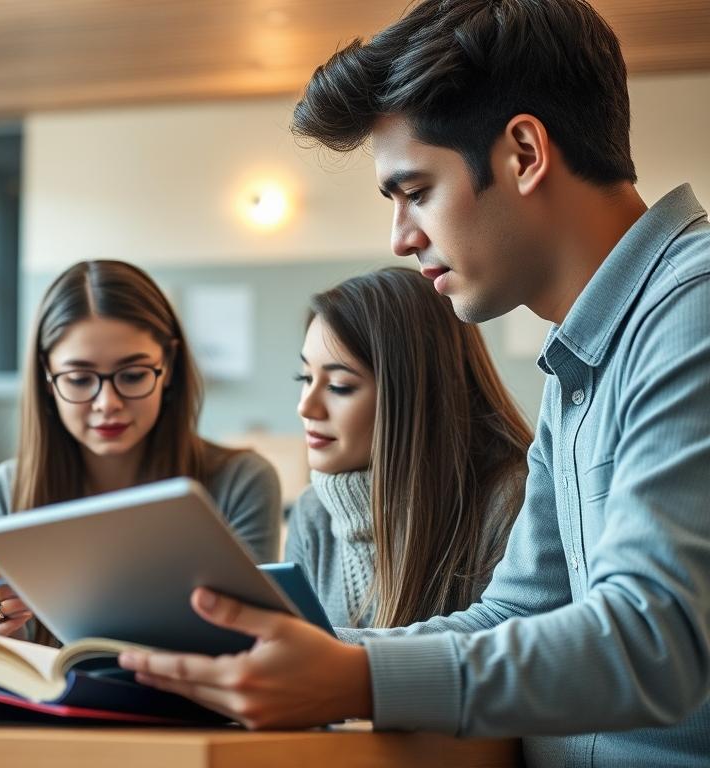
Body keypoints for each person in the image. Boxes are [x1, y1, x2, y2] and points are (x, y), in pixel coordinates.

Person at [118, 1, 710, 764]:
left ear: (524, 153)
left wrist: (357, 676)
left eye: (415, 191)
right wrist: (293, 652)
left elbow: (654, 639)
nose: (400, 238)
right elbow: (513, 611)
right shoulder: (580, 364)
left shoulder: (692, 309)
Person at [0, 259, 283, 642]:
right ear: (47, 377)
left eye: (132, 375)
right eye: (79, 379)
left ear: (170, 364)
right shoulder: (11, 486)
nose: (107, 402)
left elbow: (254, 647)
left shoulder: (241, 481)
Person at [288, 267, 531, 629]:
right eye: (305, 379)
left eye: (339, 386)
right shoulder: (312, 514)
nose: (306, 407)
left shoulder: (508, 504)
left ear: (419, 396)